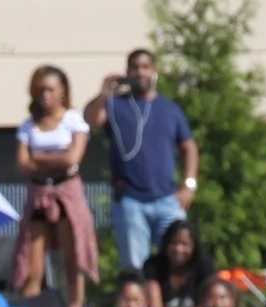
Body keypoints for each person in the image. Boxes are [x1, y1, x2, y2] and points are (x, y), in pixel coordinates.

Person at [85, 46, 199, 271]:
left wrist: (189, 185)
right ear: (127, 72)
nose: (140, 73)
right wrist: (103, 93)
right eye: (135, 68)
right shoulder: (115, 105)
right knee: (135, 267)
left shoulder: (169, 108)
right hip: (131, 201)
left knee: (178, 263)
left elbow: (189, 147)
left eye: (146, 67)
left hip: (168, 200)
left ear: (154, 71)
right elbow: (91, 121)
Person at [13, 64, 97, 307]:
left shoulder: (74, 121)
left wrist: (40, 156)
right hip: (39, 195)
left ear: (62, 91)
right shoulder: (29, 125)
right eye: (40, 90)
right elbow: (23, 163)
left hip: (66, 194)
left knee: (72, 262)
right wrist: (54, 157)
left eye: (50, 89)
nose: (45, 95)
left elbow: (73, 159)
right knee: (33, 265)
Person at [141, 217, 214, 307]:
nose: (178, 249)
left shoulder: (204, 265)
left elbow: (210, 304)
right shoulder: (153, 265)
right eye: (173, 243)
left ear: (194, 246)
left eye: (185, 245)